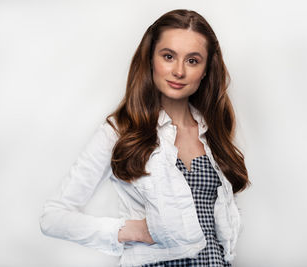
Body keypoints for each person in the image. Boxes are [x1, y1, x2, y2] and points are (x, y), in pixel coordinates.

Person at [39, 9, 249, 267]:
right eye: (168, 56)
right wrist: (131, 230)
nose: (179, 71)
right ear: (150, 59)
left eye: (193, 60)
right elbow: (53, 218)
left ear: (206, 70)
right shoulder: (120, 131)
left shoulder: (214, 134)